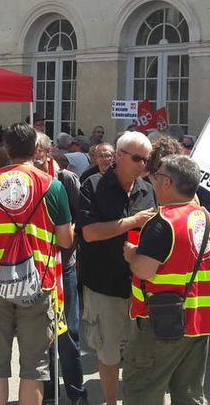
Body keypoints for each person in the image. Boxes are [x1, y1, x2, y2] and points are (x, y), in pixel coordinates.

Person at [0, 122, 73, 405]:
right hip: (38, 282)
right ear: (37, 150)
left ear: (5, 149)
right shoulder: (53, 186)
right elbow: (65, 240)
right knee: (34, 368)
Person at [122, 155, 210, 405]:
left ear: (167, 182)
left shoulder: (162, 222)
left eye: (157, 177)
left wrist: (132, 254)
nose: (153, 182)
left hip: (161, 322)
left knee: (142, 391)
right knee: (189, 394)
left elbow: (144, 270)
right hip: (200, 321)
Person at [79, 131, 156, 405]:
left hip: (140, 286)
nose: (143, 165)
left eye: (146, 160)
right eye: (137, 158)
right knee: (108, 353)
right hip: (104, 285)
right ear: (119, 155)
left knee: (140, 355)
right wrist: (132, 221)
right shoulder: (93, 185)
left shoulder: (148, 190)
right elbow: (89, 233)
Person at [35, 134, 89, 405]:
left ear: (48, 153)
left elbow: (79, 223)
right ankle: (46, 394)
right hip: (37, 268)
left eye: (37, 151)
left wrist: (68, 250)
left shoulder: (66, 179)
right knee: (41, 335)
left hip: (63, 266)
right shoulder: (29, 181)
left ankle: (76, 392)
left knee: (67, 334)